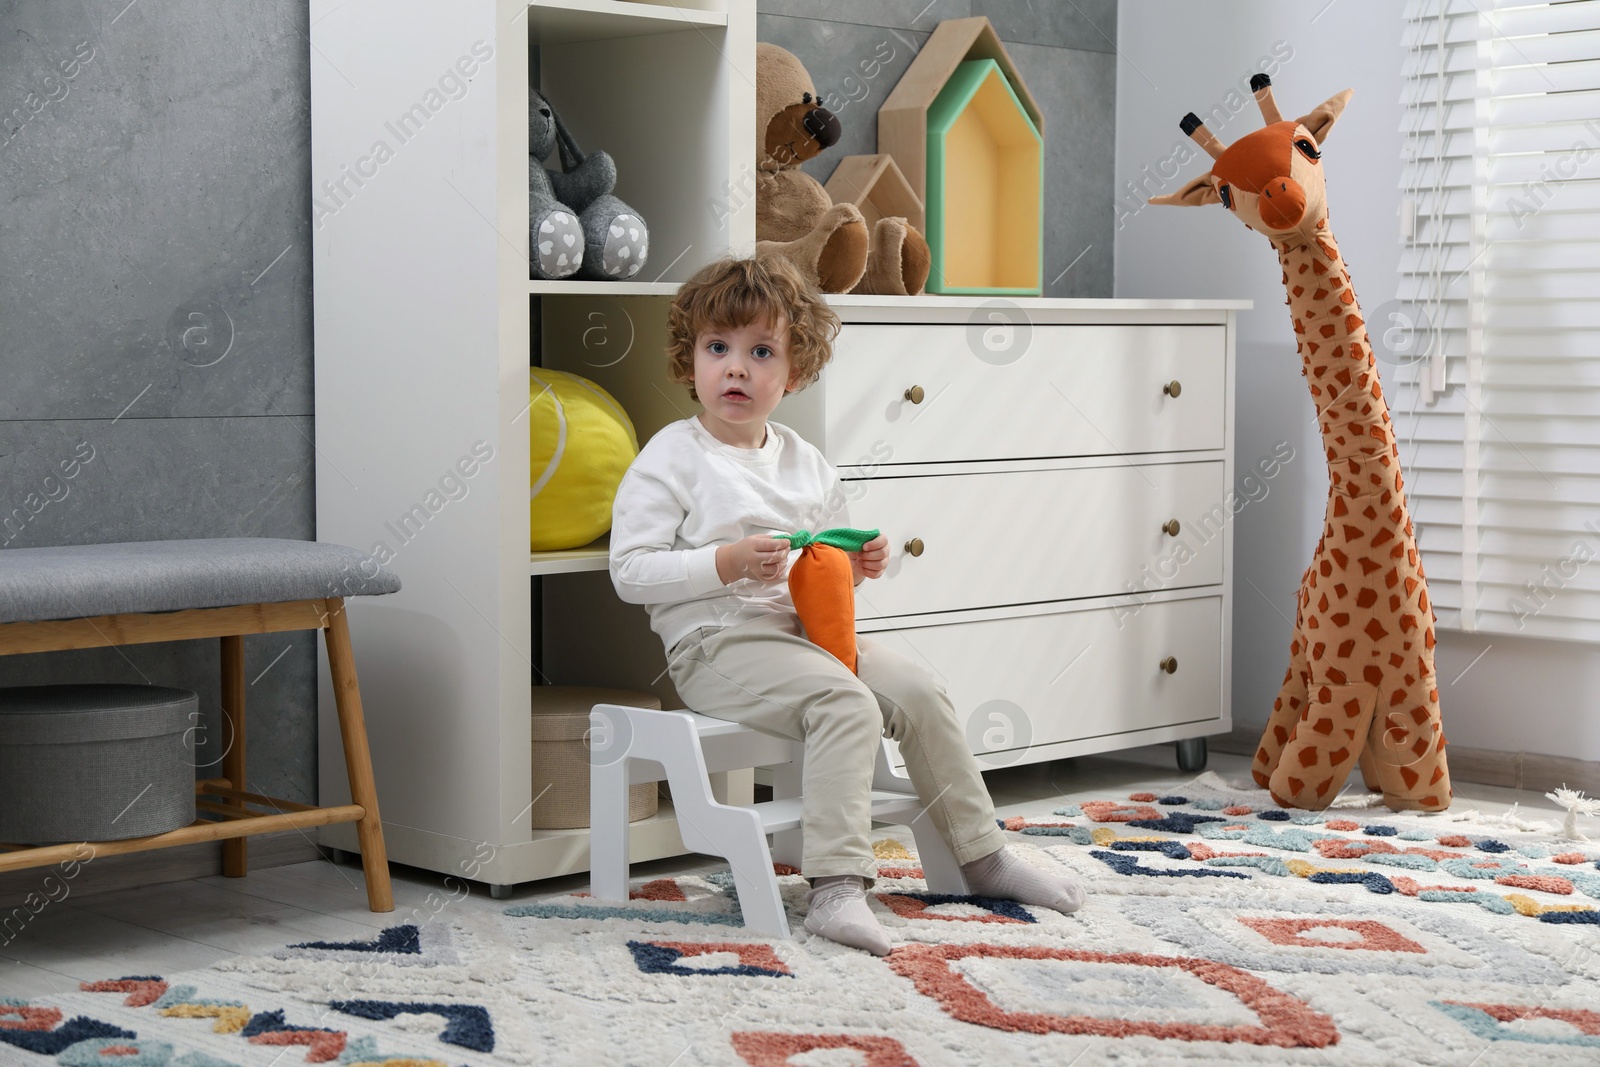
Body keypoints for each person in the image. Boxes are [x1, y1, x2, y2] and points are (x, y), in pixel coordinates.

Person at [608, 253, 1084, 955]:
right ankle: (834, 887)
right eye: (718, 348)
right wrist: (726, 562)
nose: (736, 368)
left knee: (920, 689)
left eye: (760, 351)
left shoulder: (804, 459)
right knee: (846, 702)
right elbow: (630, 571)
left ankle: (982, 857)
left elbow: (820, 566)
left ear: (793, 373)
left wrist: (859, 565)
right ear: (691, 359)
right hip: (717, 644)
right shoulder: (672, 456)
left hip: (807, 635)